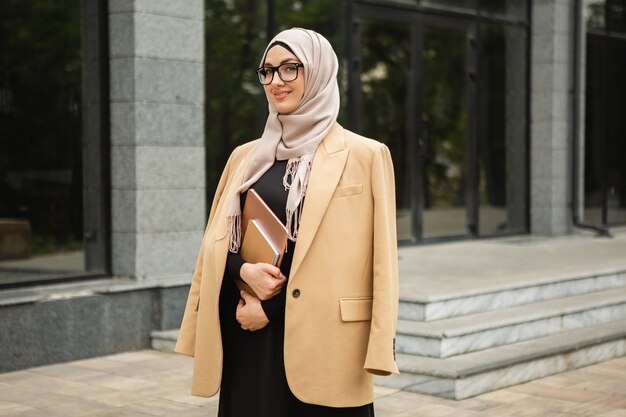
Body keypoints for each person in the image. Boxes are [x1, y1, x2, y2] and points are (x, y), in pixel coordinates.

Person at [176, 28, 399, 417]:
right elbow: (215, 244)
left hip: (327, 342)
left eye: (290, 68)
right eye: (267, 71)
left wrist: (274, 309)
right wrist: (243, 269)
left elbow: (382, 263)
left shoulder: (366, 155)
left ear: (317, 72)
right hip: (247, 336)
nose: (276, 81)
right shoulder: (245, 158)